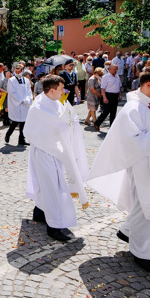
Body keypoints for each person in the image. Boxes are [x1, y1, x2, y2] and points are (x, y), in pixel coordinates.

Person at [88, 66, 150, 275]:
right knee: (147, 207)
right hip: (144, 167)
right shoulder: (132, 110)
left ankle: (128, 232)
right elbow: (132, 143)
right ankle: (141, 253)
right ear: (148, 85)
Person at [24, 75, 90, 241]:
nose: (64, 92)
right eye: (61, 89)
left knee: (48, 185)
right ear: (51, 90)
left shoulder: (52, 101)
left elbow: (61, 119)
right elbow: (32, 131)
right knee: (52, 188)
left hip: (55, 151)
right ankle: (54, 226)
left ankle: (39, 212)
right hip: (44, 153)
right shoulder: (38, 108)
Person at [5, 65, 32, 145]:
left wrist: (27, 99)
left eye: (19, 70)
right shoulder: (11, 80)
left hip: (25, 104)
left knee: (23, 123)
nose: (17, 71)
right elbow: (11, 92)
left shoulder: (26, 81)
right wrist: (20, 100)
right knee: (15, 122)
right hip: (16, 104)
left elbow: (29, 91)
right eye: (16, 70)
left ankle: (21, 140)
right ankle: (8, 134)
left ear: (22, 70)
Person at [93, 65, 121, 131]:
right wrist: (104, 97)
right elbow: (102, 88)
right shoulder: (106, 77)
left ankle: (112, 127)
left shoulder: (117, 76)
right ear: (109, 69)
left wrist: (120, 95)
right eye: (114, 69)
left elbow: (119, 87)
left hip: (115, 95)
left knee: (114, 112)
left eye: (117, 69)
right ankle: (97, 123)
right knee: (106, 111)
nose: (116, 70)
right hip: (108, 95)